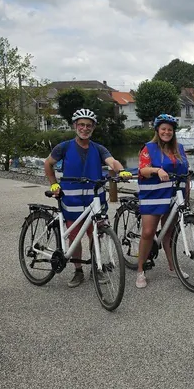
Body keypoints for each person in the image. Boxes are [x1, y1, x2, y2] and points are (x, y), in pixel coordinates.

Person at [44, 108, 132, 288]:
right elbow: (48, 163)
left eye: (89, 126)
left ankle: (95, 267)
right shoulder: (64, 147)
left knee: (96, 235)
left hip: (95, 201)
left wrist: (121, 170)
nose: (85, 128)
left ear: (93, 128)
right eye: (82, 125)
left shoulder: (99, 148)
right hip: (72, 201)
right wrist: (53, 183)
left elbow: (111, 161)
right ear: (75, 126)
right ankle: (78, 271)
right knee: (74, 237)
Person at [135, 114, 189, 289]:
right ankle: (140, 270)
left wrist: (187, 198)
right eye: (163, 129)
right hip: (154, 196)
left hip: (174, 196)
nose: (167, 132)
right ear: (157, 130)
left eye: (170, 130)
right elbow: (142, 170)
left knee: (169, 233)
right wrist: (157, 170)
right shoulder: (148, 148)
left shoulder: (179, 148)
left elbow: (185, 174)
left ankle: (173, 267)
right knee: (148, 232)